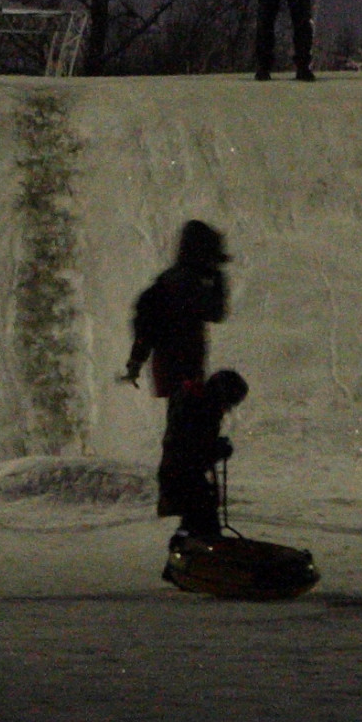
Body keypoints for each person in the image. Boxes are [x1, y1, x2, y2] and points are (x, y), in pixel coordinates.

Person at [124, 219, 234, 537]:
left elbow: (146, 326)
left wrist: (135, 363)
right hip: (184, 372)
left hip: (176, 373)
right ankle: (192, 516)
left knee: (184, 438)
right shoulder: (186, 284)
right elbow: (216, 311)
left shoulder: (169, 282)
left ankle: (188, 512)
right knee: (188, 440)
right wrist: (218, 280)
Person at [157, 369, 250, 543]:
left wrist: (214, 446)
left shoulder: (193, 401)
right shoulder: (201, 408)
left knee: (195, 522)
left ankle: (186, 553)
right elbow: (192, 449)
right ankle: (191, 559)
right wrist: (218, 449)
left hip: (182, 474)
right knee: (203, 524)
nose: (227, 409)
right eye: (229, 403)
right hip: (184, 475)